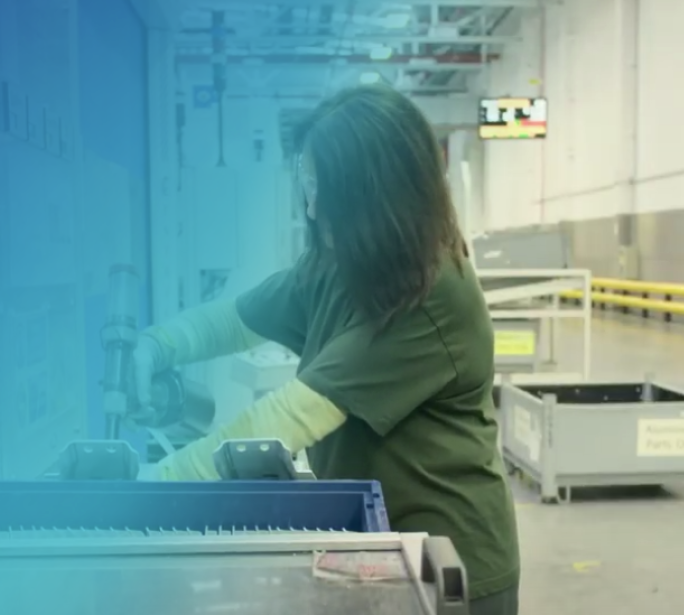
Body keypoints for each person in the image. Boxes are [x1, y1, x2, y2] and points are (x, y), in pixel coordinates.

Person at [133, 84, 520, 615]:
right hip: (372, 551)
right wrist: (158, 345)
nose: (312, 208)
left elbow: (293, 415)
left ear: (376, 194)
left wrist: (155, 488)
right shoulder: (338, 265)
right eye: (307, 184)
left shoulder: (431, 296)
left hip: (447, 570)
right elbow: (236, 319)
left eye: (324, 189)